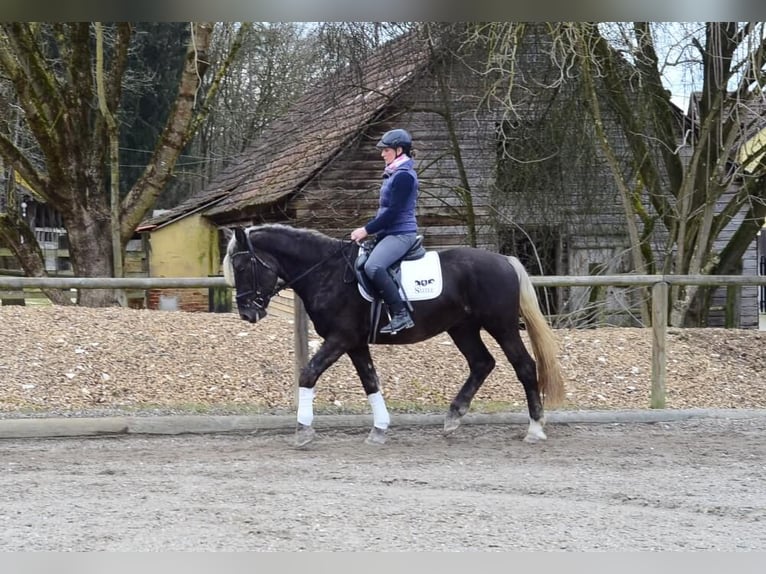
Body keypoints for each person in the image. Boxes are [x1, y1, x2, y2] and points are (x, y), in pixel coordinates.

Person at [351, 128, 420, 335]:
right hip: (389, 233)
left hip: (402, 234)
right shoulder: (393, 174)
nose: (382, 154)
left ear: (399, 150)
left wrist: (366, 230)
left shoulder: (403, 177)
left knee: (374, 266)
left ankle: (400, 313)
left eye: (386, 150)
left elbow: (393, 213)